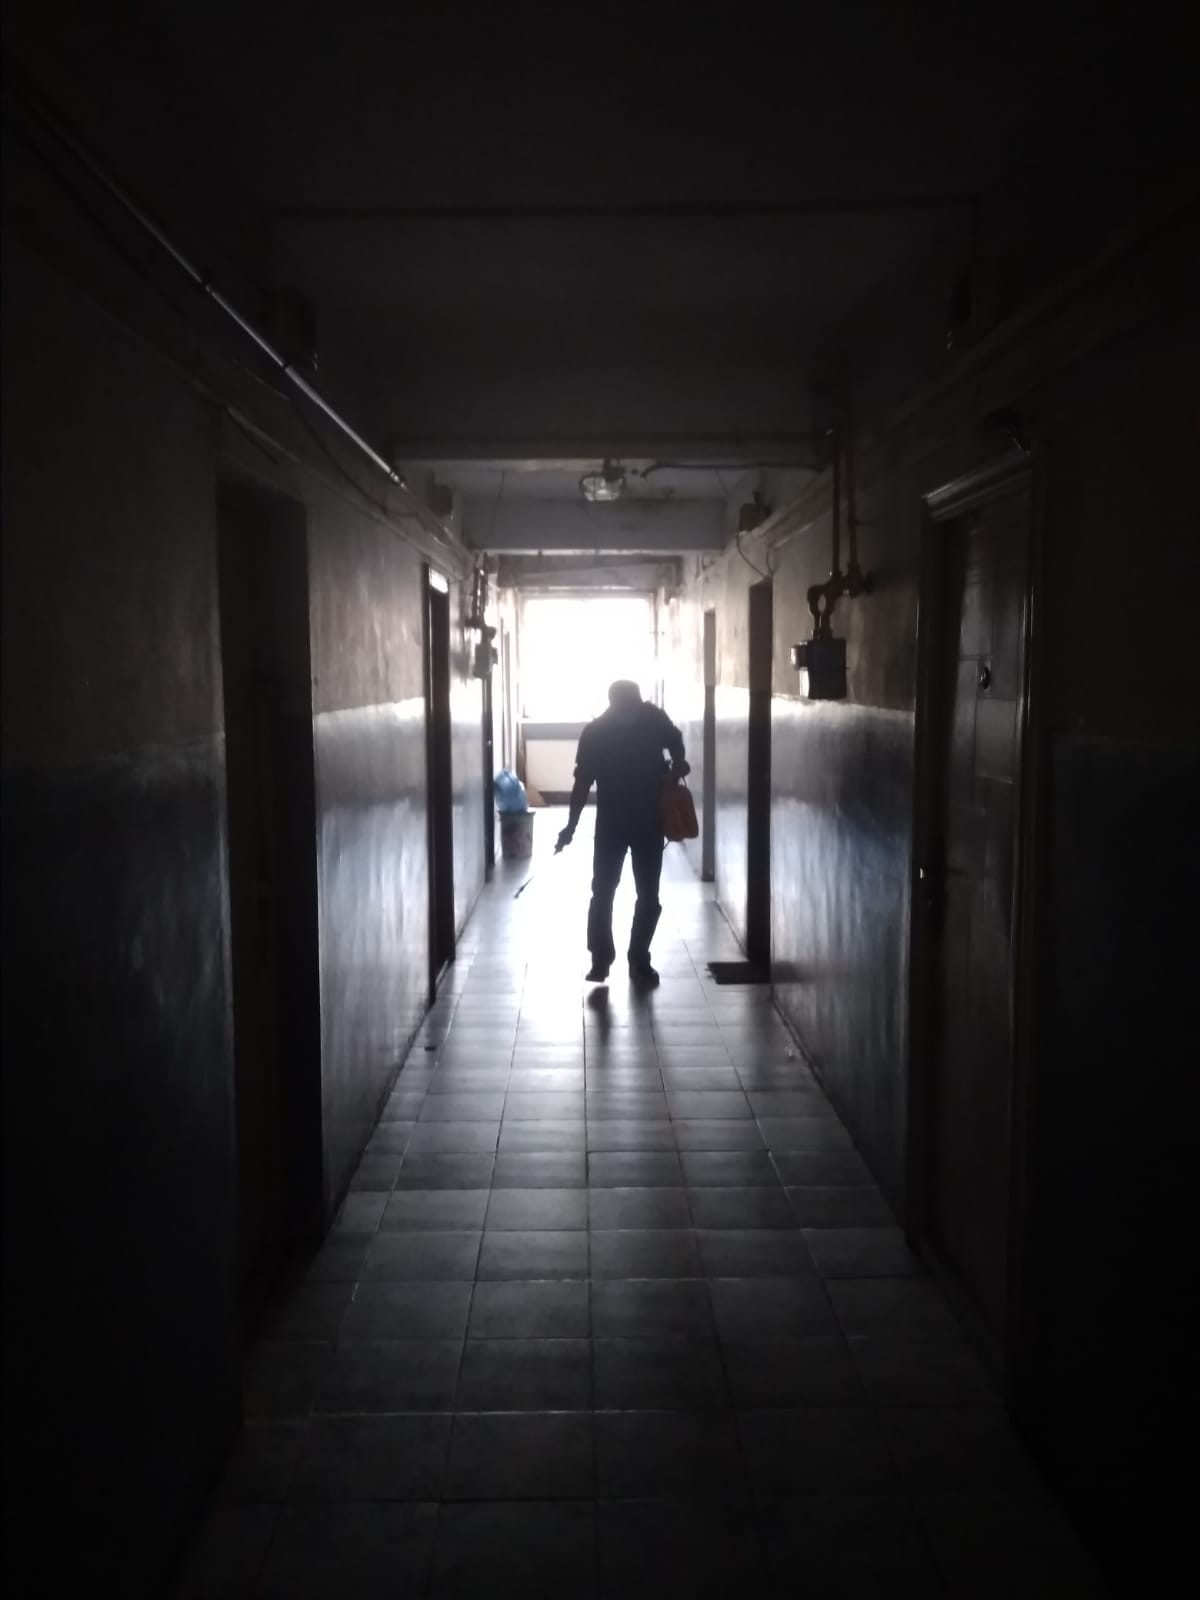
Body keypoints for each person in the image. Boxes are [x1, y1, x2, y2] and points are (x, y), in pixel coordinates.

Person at [555, 679, 689, 987]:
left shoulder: (636, 722)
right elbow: (582, 783)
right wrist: (570, 826)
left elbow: (675, 739)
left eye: (634, 706)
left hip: (638, 822)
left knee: (630, 893)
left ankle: (628, 959)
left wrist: (678, 762)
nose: (632, 711)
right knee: (613, 892)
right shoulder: (604, 730)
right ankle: (611, 959)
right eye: (629, 705)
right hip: (622, 824)